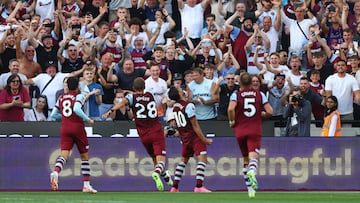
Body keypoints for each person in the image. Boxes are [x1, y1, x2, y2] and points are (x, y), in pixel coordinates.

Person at [103, 77, 172, 191]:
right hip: (155, 131)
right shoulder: (150, 95)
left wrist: (110, 111)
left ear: (134, 88)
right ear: (144, 87)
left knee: (155, 159)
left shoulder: (131, 97)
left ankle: (165, 176)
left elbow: (122, 103)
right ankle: (156, 172)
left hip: (144, 135)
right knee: (161, 160)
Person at [227, 72, 273, 198]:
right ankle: (252, 172)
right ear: (251, 83)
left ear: (240, 83)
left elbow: (231, 109)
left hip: (240, 130)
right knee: (253, 158)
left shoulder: (236, 94)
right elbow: (270, 111)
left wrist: (232, 121)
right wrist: (262, 114)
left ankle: (250, 189)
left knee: (245, 159)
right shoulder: (260, 94)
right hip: (254, 129)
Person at [49, 77, 97, 193]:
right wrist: (87, 119)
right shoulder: (79, 96)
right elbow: (76, 108)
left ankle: (55, 172)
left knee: (64, 155)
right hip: (78, 128)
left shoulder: (61, 97)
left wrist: (65, 118)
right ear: (77, 87)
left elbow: (53, 115)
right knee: (84, 157)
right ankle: (86, 185)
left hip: (65, 128)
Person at [167, 85, 213, 193]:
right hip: (194, 137)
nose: (181, 89)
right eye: (179, 89)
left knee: (183, 162)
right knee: (203, 159)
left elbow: (178, 125)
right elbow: (195, 125)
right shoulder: (189, 106)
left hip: (185, 138)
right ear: (179, 93)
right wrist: (204, 139)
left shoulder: (175, 107)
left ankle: (174, 187)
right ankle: (199, 186)